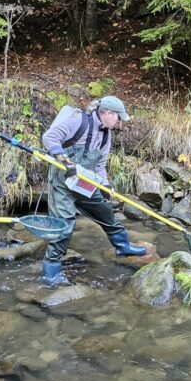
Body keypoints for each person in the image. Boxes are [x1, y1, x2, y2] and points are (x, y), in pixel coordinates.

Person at [40, 95, 147, 286]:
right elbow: (49, 137)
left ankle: (123, 247)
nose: (120, 122)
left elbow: (99, 166)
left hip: (85, 181)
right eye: (118, 117)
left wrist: (105, 186)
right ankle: (51, 271)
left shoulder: (106, 134)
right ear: (106, 113)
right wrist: (64, 160)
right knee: (63, 225)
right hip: (63, 183)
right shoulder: (78, 121)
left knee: (105, 212)